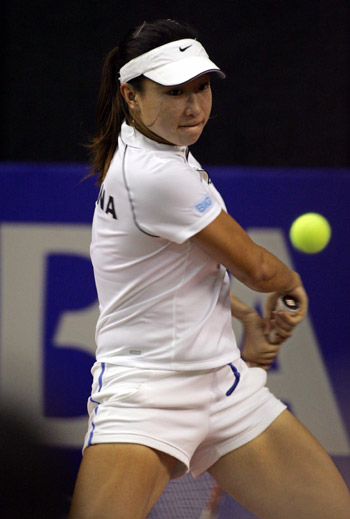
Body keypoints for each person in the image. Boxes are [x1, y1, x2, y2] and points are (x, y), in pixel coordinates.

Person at [69, 19, 350, 519]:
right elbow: (259, 269)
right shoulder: (156, 175)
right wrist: (290, 284)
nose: (194, 106)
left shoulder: (150, 152)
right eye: (175, 92)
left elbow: (174, 273)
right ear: (131, 96)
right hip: (147, 393)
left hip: (224, 386)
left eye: (201, 88)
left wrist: (242, 319)